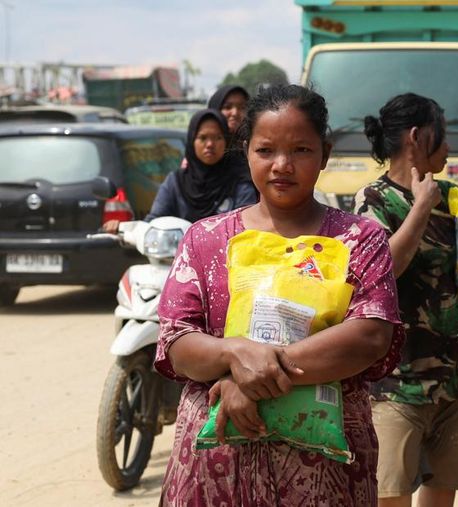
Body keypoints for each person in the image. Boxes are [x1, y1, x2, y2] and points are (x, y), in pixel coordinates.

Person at [154, 84, 403, 505]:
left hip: (324, 472)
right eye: (266, 150)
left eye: (301, 150)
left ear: (324, 153)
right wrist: (234, 355)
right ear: (246, 150)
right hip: (217, 469)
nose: (282, 165)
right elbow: (177, 342)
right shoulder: (206, 239)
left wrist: (251, 379)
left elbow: (369, 336)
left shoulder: (360, 239)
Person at [354, 93, 458, 507]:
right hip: (397, 384)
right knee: (389, 496)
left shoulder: (453, 198)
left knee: (441, 495)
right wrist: (421, 208)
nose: (448, 148)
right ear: (418, 136)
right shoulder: (373, 200)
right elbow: (383, 271)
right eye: (442, 135)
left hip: (454, 381)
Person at [102, 109, 257, 231]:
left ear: (226, 142)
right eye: (202, 138)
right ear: (191, 141)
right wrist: (124, 227)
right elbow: (154, 221)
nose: (210, 144)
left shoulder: (240, 183)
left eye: (217, 138)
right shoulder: (175, 182)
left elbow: (245, 226)